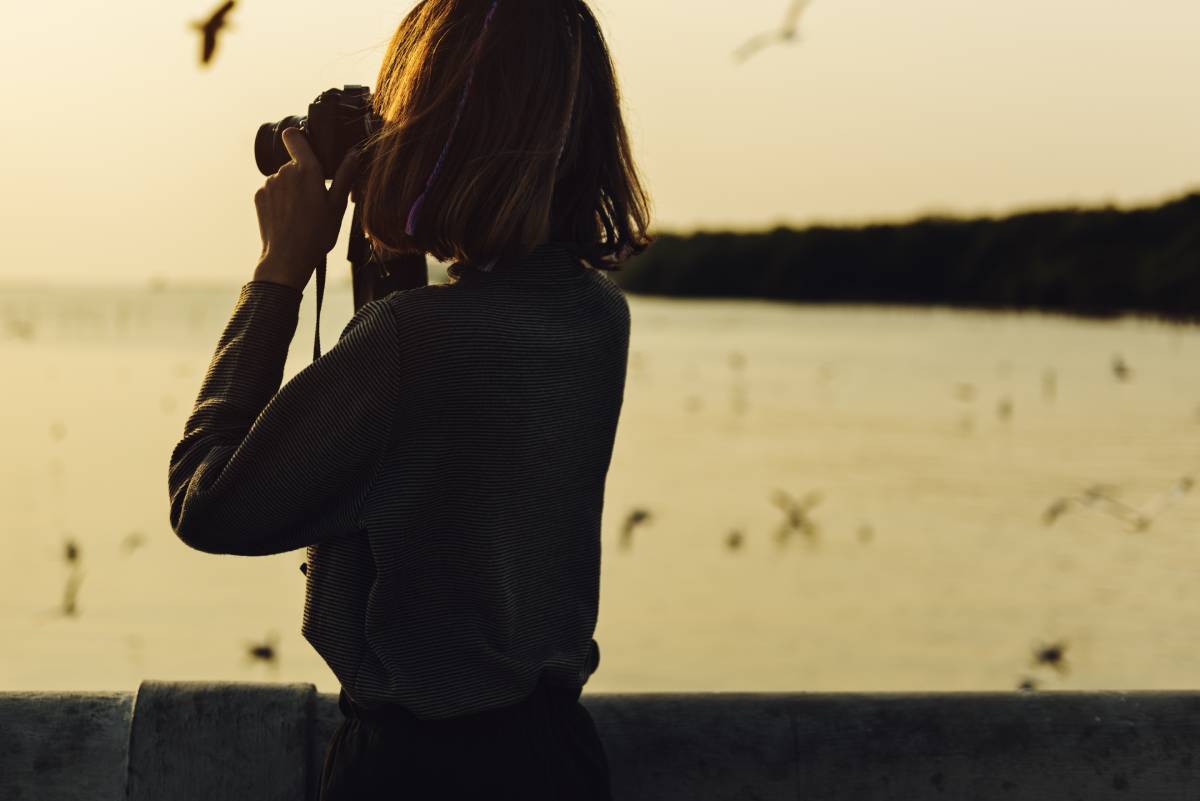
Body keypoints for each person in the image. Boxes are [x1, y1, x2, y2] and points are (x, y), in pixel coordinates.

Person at [166, 0, 651, 797]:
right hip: (557, 756)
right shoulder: (595, 319)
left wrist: (280, 270)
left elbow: (209, 505)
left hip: (416, 771)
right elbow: (422, 443)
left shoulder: (411, 343)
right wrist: (386, 239)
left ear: (436, 130)